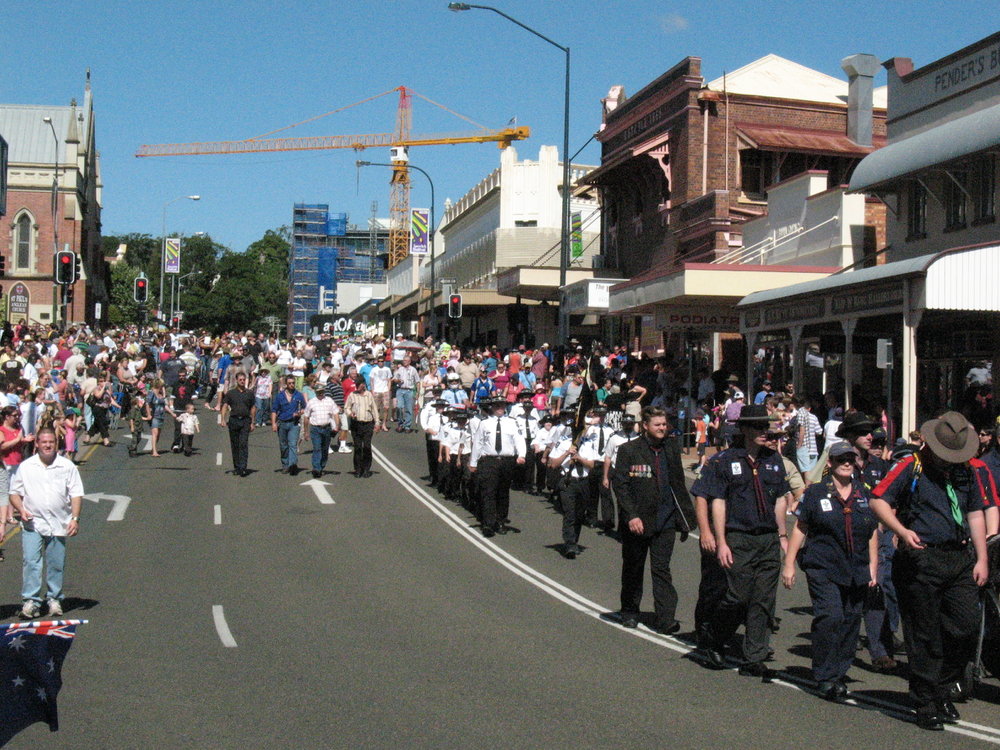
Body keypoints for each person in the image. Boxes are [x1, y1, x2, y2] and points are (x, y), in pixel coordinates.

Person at [871, 411, 989, 731]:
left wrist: (982, 558)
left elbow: (976, 513)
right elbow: (878, 500)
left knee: (964, 626)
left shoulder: (966, 472)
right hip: (922, 559)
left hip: (959, 557)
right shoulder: (911, 466)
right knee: (925, 634)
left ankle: (944, 685)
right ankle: (926, 700)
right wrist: (901, 530)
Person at [781, 443, 879, 701]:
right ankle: (824, 675)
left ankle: (839, 673)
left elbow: (871, 533)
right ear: (830, 463)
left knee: (850, 621)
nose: (846, 463)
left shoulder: (864, 493)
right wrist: (789, 563)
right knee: (831, 616)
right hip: (823, 565)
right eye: (840, 459)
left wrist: (873, 567)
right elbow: (801, 527)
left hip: (856, 568)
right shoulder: (815, 493)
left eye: (850, 459)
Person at [700, 405, 791, 675]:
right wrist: (721, 540)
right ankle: (714, 639)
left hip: (766, 539)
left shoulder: (773, 461)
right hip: (738, 536)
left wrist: (782, 534)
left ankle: (754, 657)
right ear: (744, 429)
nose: (766, 432)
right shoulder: (725, 461)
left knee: (763, 599)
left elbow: (778, 501)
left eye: (767, 427)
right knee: (737, 596)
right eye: (759, 427)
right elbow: (717, 501)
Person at [611, 406, 695, 632]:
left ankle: (666, 619)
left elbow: (678, 483)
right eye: (657, 425)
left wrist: (685, 518)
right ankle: (629, 610)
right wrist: (631, 515)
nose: (662, 428)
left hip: (665, 520)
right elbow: (621, 485)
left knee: (662, 570)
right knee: (633, 568)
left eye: (664, 424)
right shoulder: (629, 450)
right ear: (645, 426)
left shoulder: (670, 448)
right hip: (638, 522)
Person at [8, 427, 83, 619]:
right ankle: (31, 601)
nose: (48, 445)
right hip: (33, 523)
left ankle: (54, 599)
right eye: (44, 442)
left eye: (51, 442)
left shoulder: (67, 466)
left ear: (56, 444)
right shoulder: (27, 466)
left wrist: (74, 518)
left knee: (56, 563)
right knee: (31, 562)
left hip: (59, 523)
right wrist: (21, 509)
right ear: (37, 444)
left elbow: (76, 493)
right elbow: (14, 493)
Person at [470, 396, 526, 537]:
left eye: (502, 406)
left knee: (503, 492)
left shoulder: (512, 423)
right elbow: (478, 443)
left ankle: (500, 522)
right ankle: (488, 524)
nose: (500, 408)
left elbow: (519, 439)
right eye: (497, 406)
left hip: (507, 461)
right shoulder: (485, 423)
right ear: (492, 407)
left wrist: (521, 455)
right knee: (488, 492)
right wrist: (473, 462)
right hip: (489, 460)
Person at [220, 371, 256, 477]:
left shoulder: (249, 393)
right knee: (235, 445)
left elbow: (253, 408)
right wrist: (222, 419)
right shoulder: (231, 393)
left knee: (243, 444)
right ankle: (237, 467)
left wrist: (253, 422)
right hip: (234, 421)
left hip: (245, 421)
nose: (242, 381)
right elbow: (225, 405)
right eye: (240, 380)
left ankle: (243, 467)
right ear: (236, 380)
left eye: (244, 380)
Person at [271, 375, 307, 475]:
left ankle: (293, 465)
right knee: (283, 446)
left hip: (294, 423)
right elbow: (274, 410)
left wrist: (300, 412)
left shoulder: (298, 395)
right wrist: (274, 423)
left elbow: (305, 407)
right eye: (290, 383)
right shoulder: (280, 396)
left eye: (293, 383)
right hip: (282, 423)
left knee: (292, 445)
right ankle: (285, 465)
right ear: (286, 384)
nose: (292, 385)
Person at [345, 376, 380, 478]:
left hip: (368, 424)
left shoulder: (369, 395)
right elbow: (347, 407)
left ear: (363, 384)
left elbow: (374, 409)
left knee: (367, 446)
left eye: (359, 385)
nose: (358, 388)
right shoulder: (352, 395)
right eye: (356, 386)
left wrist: (377, 423)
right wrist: (350, 413)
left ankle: (366, 469)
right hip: (356, 424)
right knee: (358, 447)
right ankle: (358, 469)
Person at [303, 386, 339, 478]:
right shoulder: (311, 402)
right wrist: (306, 431)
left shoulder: (329, 400)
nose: (321, 394)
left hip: (326, 428)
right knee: (317, 448)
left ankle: (321, 466)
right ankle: (316, 469)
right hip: (315, 428)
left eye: (322, 392)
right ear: (315, 392)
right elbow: (306, 417)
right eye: (319, 392)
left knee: (324, 449)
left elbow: (335, 413)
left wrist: (337, 426)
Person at [394, 357, 419, 433]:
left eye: (406, 360)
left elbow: (417, 381)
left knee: (408, 409)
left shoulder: (413, 370)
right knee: (399, 407)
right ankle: (400, 423)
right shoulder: (400, 369)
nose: (404, 362)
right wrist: (398, 380)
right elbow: (395, 379)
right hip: (400, 390)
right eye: (403, 360)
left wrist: (417, 392)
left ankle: (407, 426)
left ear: (409, 361)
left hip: (409, 390)